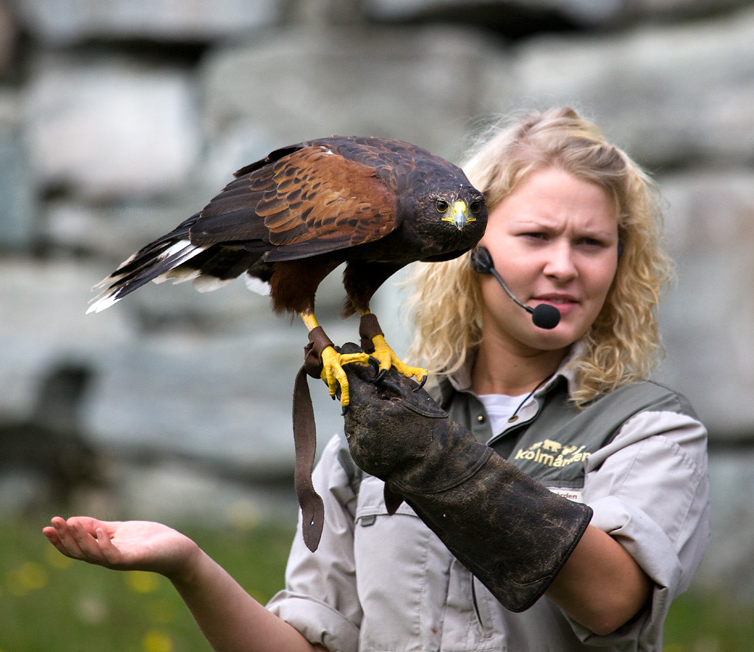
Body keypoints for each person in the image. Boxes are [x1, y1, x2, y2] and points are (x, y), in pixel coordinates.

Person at [43, 107, 710, 652]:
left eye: (591, 242)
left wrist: (440, 462)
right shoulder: (381, 423)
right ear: (479, 254)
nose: (562, 266)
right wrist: (186, 565)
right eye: (536, 235)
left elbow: (615, 599)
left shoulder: (647, 429)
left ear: (622, 262)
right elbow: (312, 644)